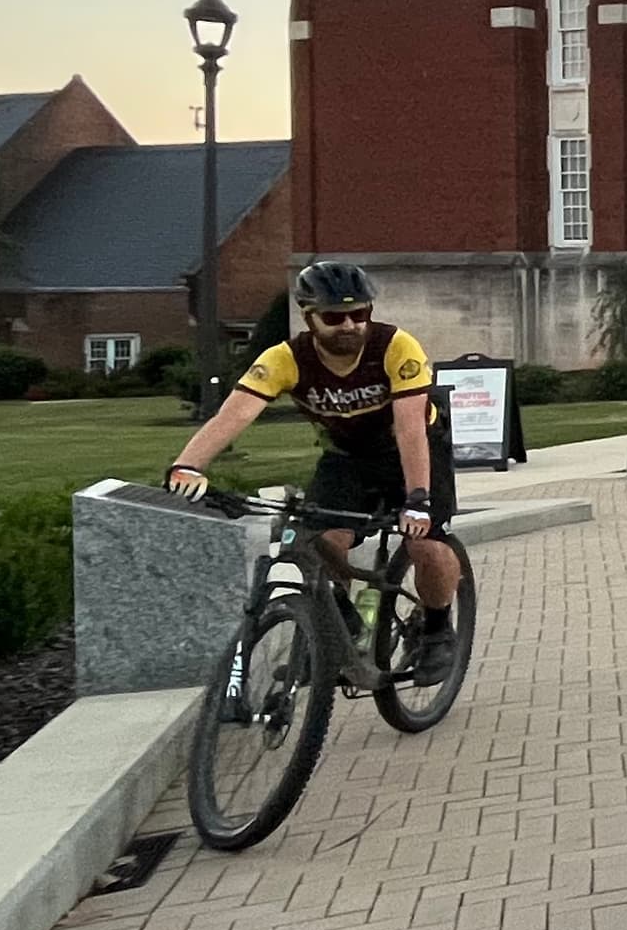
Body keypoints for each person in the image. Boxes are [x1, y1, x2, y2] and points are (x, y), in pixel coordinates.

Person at [166, 261, 468, 678]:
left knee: (425, 544)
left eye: (359, 314)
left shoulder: (396, 347)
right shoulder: (286, 359)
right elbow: (232, 416)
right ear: (309, 317)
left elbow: (409, 428)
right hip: (346, 456)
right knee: (320, 539)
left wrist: (418, 499)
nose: (349, 325)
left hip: (414, 452)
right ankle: (336, 628)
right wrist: (187, 465)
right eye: (334, 317)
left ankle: (437, 630)